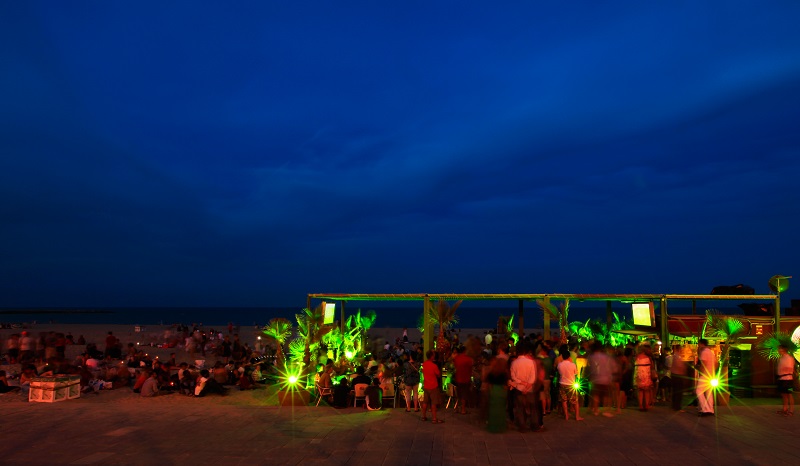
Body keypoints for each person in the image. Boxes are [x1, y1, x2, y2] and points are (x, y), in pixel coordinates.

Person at [509, 342, 543, 432]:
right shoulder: (531, 362)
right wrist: (527, 386)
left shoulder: (514, 363)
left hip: (518, 388)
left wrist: (522, 384)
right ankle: (534, 425)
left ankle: (522, 426)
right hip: (530, 389)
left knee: (520, 408)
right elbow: (533, 377)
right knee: (533, 408)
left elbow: (513, 377)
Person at [557, 348, 584, 421]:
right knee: (575, 401)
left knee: (564, 400)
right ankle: (577, 416)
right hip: (571, 384)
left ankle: (566, 416)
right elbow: (575, 373)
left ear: (562, 356)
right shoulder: (573, 365)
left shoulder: (559, 365)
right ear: (569, 357)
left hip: (562, 383)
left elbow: (559, 373)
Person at [421, 350, 443, 424]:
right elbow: (438, 374)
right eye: (433, 355)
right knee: (433, 403)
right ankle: (434, 418)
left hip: (426, 385)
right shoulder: (434, 366)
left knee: (425, 402)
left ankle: (423, 416)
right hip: (433, 386)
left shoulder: (424, 364)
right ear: (432, 356)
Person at [695, 339, 716, 417]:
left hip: (705, 375)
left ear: (701, 344)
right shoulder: (711, 352)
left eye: (699, 344)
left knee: (699, 391)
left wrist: (700, 371)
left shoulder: (704, 353)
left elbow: (703, 364)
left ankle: (705, 409)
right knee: (709, 392)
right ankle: (711, 409)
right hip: (711, 375)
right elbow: (716, 364)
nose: (698, 345)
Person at [452, 346, 474, 415]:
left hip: (458, 378)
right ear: (465, 351)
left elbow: (455, 367)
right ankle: (463, 409)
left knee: (459, 394)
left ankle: (457, 408)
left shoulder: (456, 358)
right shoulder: (468, 359)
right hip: (466, 378)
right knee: (464, 394)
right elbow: (471, 368)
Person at [776, 344, 796, 416]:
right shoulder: (781, 358)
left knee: (789, 394)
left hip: (788, 379)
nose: (778, 350)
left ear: (784, 349)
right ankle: (785, 409)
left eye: (779, 349)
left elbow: (789, 368)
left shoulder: (789, 358)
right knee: (784, 394)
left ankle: (791, 410)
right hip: (781, 379)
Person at [634, 345, 654, 411]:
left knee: (640, 391)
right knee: (647, 391)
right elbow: (652, 367)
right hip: (646, 376)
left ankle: (641, 406)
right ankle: (646, 405)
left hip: (639, 375)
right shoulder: (648, 358)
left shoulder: (637, 357)